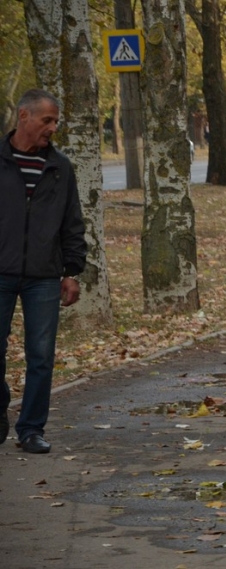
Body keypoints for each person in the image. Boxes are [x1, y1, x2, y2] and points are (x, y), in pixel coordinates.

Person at [1, 89, 86, 454]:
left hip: (44, 276)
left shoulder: (60, 167)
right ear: (24, 116)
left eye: (55, 121)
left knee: (41, 355)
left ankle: (32, 429)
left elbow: (72, 222)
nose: (52, 128)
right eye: (46, 120)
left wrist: (72, 271)